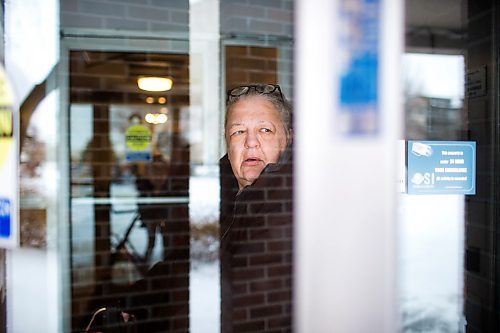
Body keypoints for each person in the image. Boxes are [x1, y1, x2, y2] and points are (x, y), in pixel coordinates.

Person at [220, 83, 294, 332]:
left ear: (288, 137)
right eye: (238, 132)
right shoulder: (216, 193)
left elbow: (246, 302)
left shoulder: (287, 205)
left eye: (265, 130)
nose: (251, 143)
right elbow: (183, 261)